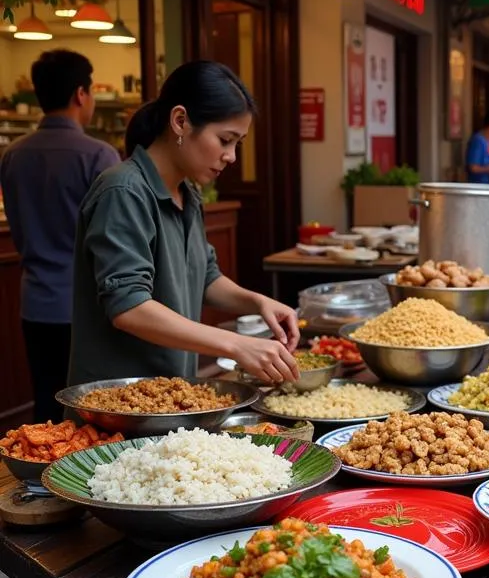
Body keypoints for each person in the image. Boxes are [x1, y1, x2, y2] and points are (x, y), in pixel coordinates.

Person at [69, 60, 301, 387]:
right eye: (225, 140)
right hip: (117, 404)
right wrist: (236, 344)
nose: (232, 156)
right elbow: (129, 307)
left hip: (170, 397)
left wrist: (257, 302)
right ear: (180, 121)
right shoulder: (123, 191)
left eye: (238, 143)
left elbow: (204, 276)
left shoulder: (187, 192)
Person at [0, 50, 120, 422]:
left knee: (46, 404)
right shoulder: (100, 156)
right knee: (98, 409)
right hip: (87, 304)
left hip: (35, 299)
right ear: (81, 94)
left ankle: (38, 476)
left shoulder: (12, 155)